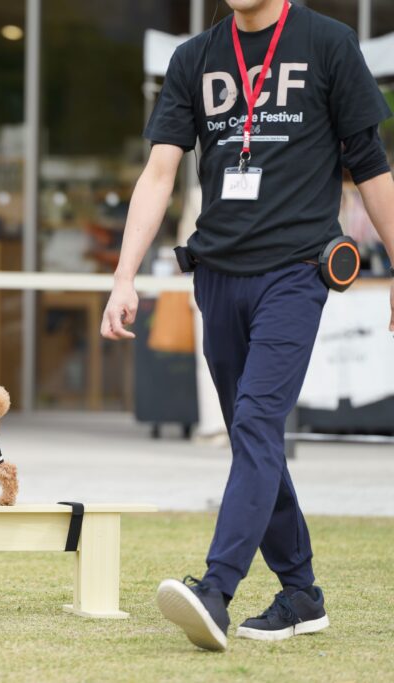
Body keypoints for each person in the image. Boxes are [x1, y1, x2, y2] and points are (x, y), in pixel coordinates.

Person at [102, 0, 394, 652]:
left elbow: (371, 165)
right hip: (217, 275)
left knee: (257, 423)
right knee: (249, 435)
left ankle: (216, 589)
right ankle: (301, 594)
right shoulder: (194, 58)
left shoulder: (329, 43)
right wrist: (124, 276)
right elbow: (159, 171)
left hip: (297, 271)